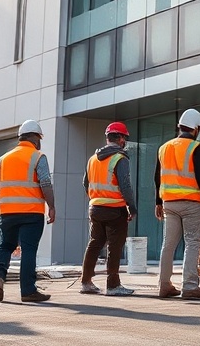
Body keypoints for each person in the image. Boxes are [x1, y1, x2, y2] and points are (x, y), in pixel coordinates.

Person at [0, 119, 57, 303]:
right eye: (39, 138)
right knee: (29, 250)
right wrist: (51, 206)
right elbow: (45, 183)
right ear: (35, 138)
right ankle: (28, 291)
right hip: (31, 212)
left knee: (5, 245)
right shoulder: (38, 156)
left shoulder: (4, 158)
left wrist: (4, 200)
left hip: (7, 212)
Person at [154, 109, 200, 300]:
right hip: (191, 203)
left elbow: (157, 177)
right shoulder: (195, 147)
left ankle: (164, 285)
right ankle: (189, 286)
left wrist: (158, 202)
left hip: (169, 203)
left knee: (168, 245)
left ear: (180, 126)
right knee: (192, 242)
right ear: (196, 129)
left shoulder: (164, 148)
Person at [79, 121, 137, 297]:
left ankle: (86, 282)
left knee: (94, 244)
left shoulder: (92, 159)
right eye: (124, 138)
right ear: (120, 138)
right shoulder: (120, 158)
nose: (125, 142)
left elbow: (85, 183)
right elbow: (125, 186)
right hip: (115, 209)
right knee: (115, 246)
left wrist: (96, 198)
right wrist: (132, 207)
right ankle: (113, 285)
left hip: (95, 208)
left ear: (107, 138)